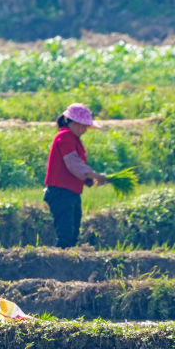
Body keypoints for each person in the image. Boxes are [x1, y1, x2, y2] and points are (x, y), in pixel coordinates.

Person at [44, 103, 109, 248]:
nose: (84, 129)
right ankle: (58, 264)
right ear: (71, 122)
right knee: (65, 236)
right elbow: (73, 163)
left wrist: (89, 179)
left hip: (71, 193)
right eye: (82, 125)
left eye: (86, 126)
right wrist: (93, 174)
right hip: (60, 193)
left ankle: (67, 263)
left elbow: (74, 168)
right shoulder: (65, 136)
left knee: (73, 235)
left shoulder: (74, 139)